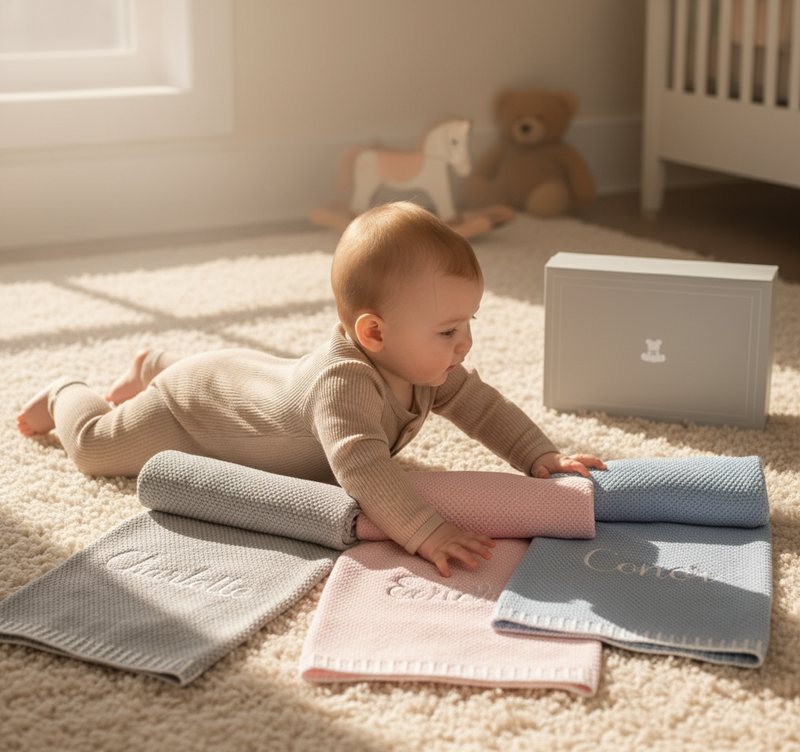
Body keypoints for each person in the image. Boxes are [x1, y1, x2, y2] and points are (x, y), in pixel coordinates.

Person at [17, 202, 605, 577]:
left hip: (241, 382)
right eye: (449, 330)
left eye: (469, 323)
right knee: (96, 449)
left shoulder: (426, 367)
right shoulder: (344, 386)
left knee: (253, 370)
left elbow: (482, 406)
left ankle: (152, 360)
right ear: (373, 333)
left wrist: (538, 454)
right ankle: (68, 389)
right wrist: (426, 531)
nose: (464, 344)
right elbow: (364, 469)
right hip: (191, 411)